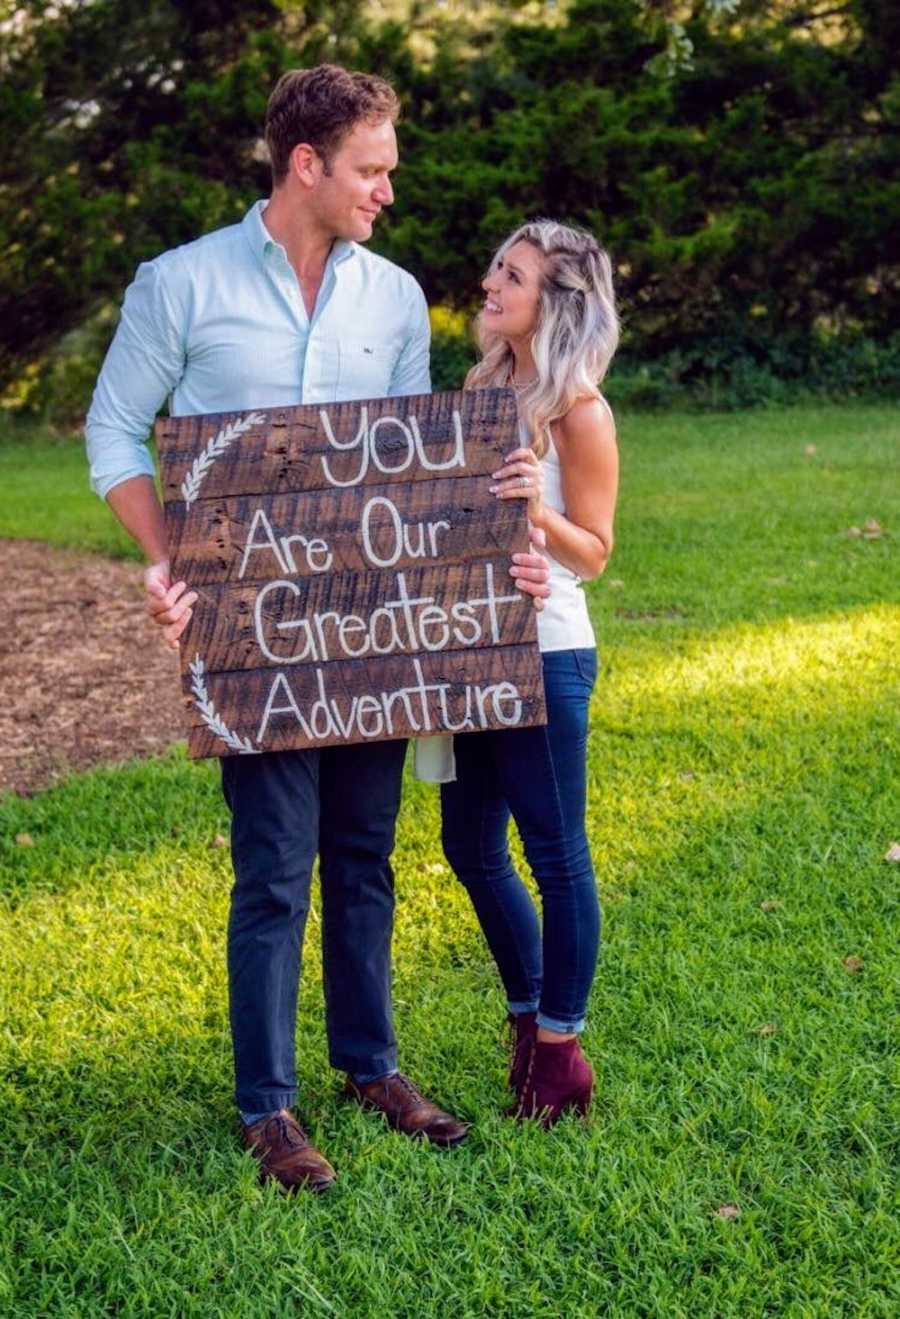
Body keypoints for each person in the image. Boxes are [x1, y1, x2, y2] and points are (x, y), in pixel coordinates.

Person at [85, 64, 549, 1193]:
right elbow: (114, 436)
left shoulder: (392, 298)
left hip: (369, 634)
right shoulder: (180, 284)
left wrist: (501, 512)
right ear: (309, 165)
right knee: (275, 866)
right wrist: (166, 559)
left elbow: (405, 461)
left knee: (364, 854)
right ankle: (270, 1107)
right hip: (248, 640)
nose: (388, 190)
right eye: (373, 170)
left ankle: (372, 1066)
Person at [438, 220, 620, 1125]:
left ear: (553, 300)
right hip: (472, 644)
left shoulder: (577, 409)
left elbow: (596, 549)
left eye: (510, 275)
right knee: (467, 847)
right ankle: (527, 1014)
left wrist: (538, 519)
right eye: (496, 266)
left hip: (547, 651)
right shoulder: (481, 387)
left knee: (556, 855)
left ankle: (561, 1050)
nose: (490, 283)